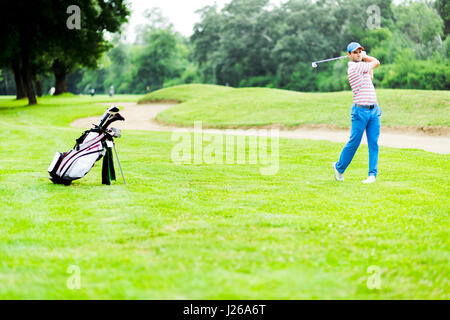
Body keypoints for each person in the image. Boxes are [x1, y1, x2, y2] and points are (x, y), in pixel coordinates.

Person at [332, 42, 381, 184]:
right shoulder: (354, 67)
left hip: (374, 110)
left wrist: (364, 58)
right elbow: (376, 62)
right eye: (355, 52)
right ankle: (339, 167)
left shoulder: (361, 67)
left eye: (360, 51)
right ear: (349, 55)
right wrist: (366, 57)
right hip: (360, 111)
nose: (359, 53)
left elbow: (370, 75)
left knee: (373, 143)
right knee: (354, 142)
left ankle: (372, 175)